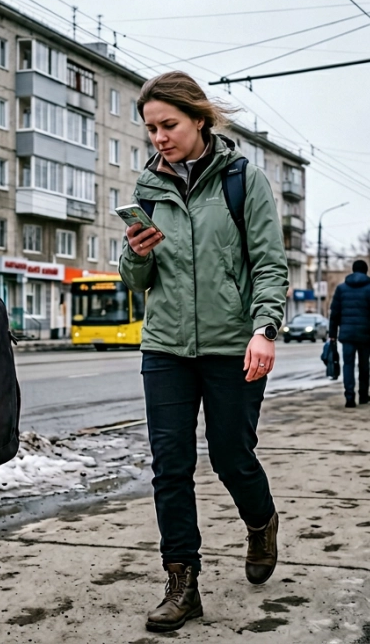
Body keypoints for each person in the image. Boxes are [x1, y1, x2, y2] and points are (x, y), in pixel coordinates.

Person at [120, 71, 288, 633]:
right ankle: (181, 582)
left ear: (199, 119)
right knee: (170, 465)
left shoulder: (244, 180)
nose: (159, 138)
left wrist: (264, 328)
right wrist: (137, 254)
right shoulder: (148, 188)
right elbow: (135, 280)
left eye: (168, 125)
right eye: (151, 129)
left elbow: (269, 264)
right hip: (165, 345)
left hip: (232, 345)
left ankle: (261, 521)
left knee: (230, 455)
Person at [329, 259, 370, 407]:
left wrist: (333, 333)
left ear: (352, 270)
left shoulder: (341, 289)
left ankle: (349, 397)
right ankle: (363, 395)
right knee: (364, 365)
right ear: (366, 271)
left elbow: (334, 312)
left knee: (348, 365)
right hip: (365, 333)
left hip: (347, 333)